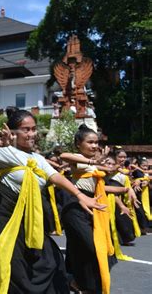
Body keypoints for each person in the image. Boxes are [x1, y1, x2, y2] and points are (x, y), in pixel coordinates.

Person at [0, 110, 105, 294]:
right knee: (10, 265)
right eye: (25, 129)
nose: (31, 134)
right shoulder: (4, 151)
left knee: (49, 259)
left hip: (28, 217)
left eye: (34, 129)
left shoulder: (38, 158)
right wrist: (0, 142)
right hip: (2, 215)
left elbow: (55, 177)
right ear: (13, 132)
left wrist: (80, 195)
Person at [59, 125, 135, 293]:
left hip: (91, 206)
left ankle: (77, 281)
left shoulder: (94, 165)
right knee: (91, 246)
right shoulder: (77, 158)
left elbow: (104, 185)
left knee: (78, 246)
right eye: (90, 142)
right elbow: (63, 155)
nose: (94, 146)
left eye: (96, 142)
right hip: (75, 206)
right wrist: (95, 161)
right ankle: (82, 283)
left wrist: (126, 189)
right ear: (78, 143)